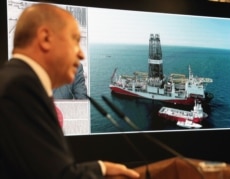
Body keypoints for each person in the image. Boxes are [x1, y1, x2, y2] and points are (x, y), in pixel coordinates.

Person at [0, 3, 139, 179]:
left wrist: (100, 168)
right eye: (75, 40)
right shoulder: (21, 87)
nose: (81, 54)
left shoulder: (14, 80)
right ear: (45, 38)